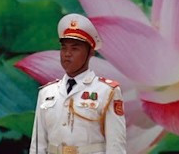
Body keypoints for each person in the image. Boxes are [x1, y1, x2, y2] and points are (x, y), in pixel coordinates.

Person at [29, 13, 126, 154]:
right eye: (64, 48)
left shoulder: (107, 91)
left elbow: (116, 145)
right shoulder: (46, 93)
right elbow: (38, 145)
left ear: (90, 52)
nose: (67, 54)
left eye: (75, 48)